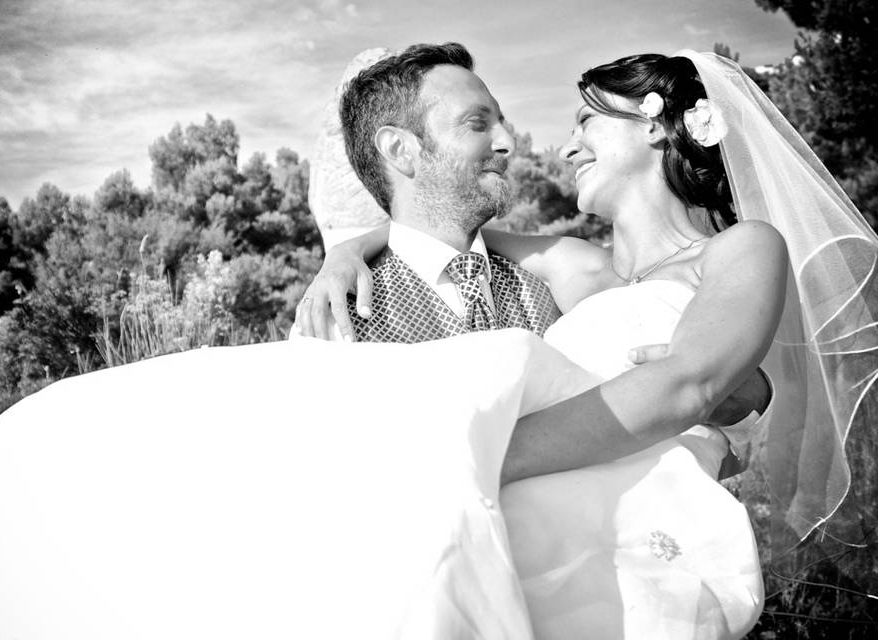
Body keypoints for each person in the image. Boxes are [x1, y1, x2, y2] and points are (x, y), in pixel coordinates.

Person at [296, 47, 878, 639]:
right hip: (509, 552)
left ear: (653, 125)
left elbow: (689, 383)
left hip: (640, 552)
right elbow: (425, 220)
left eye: (586, 122)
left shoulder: (741, 248)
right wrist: (345, 253)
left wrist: (474, 454)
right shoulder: (574, 268)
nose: (564, 147)